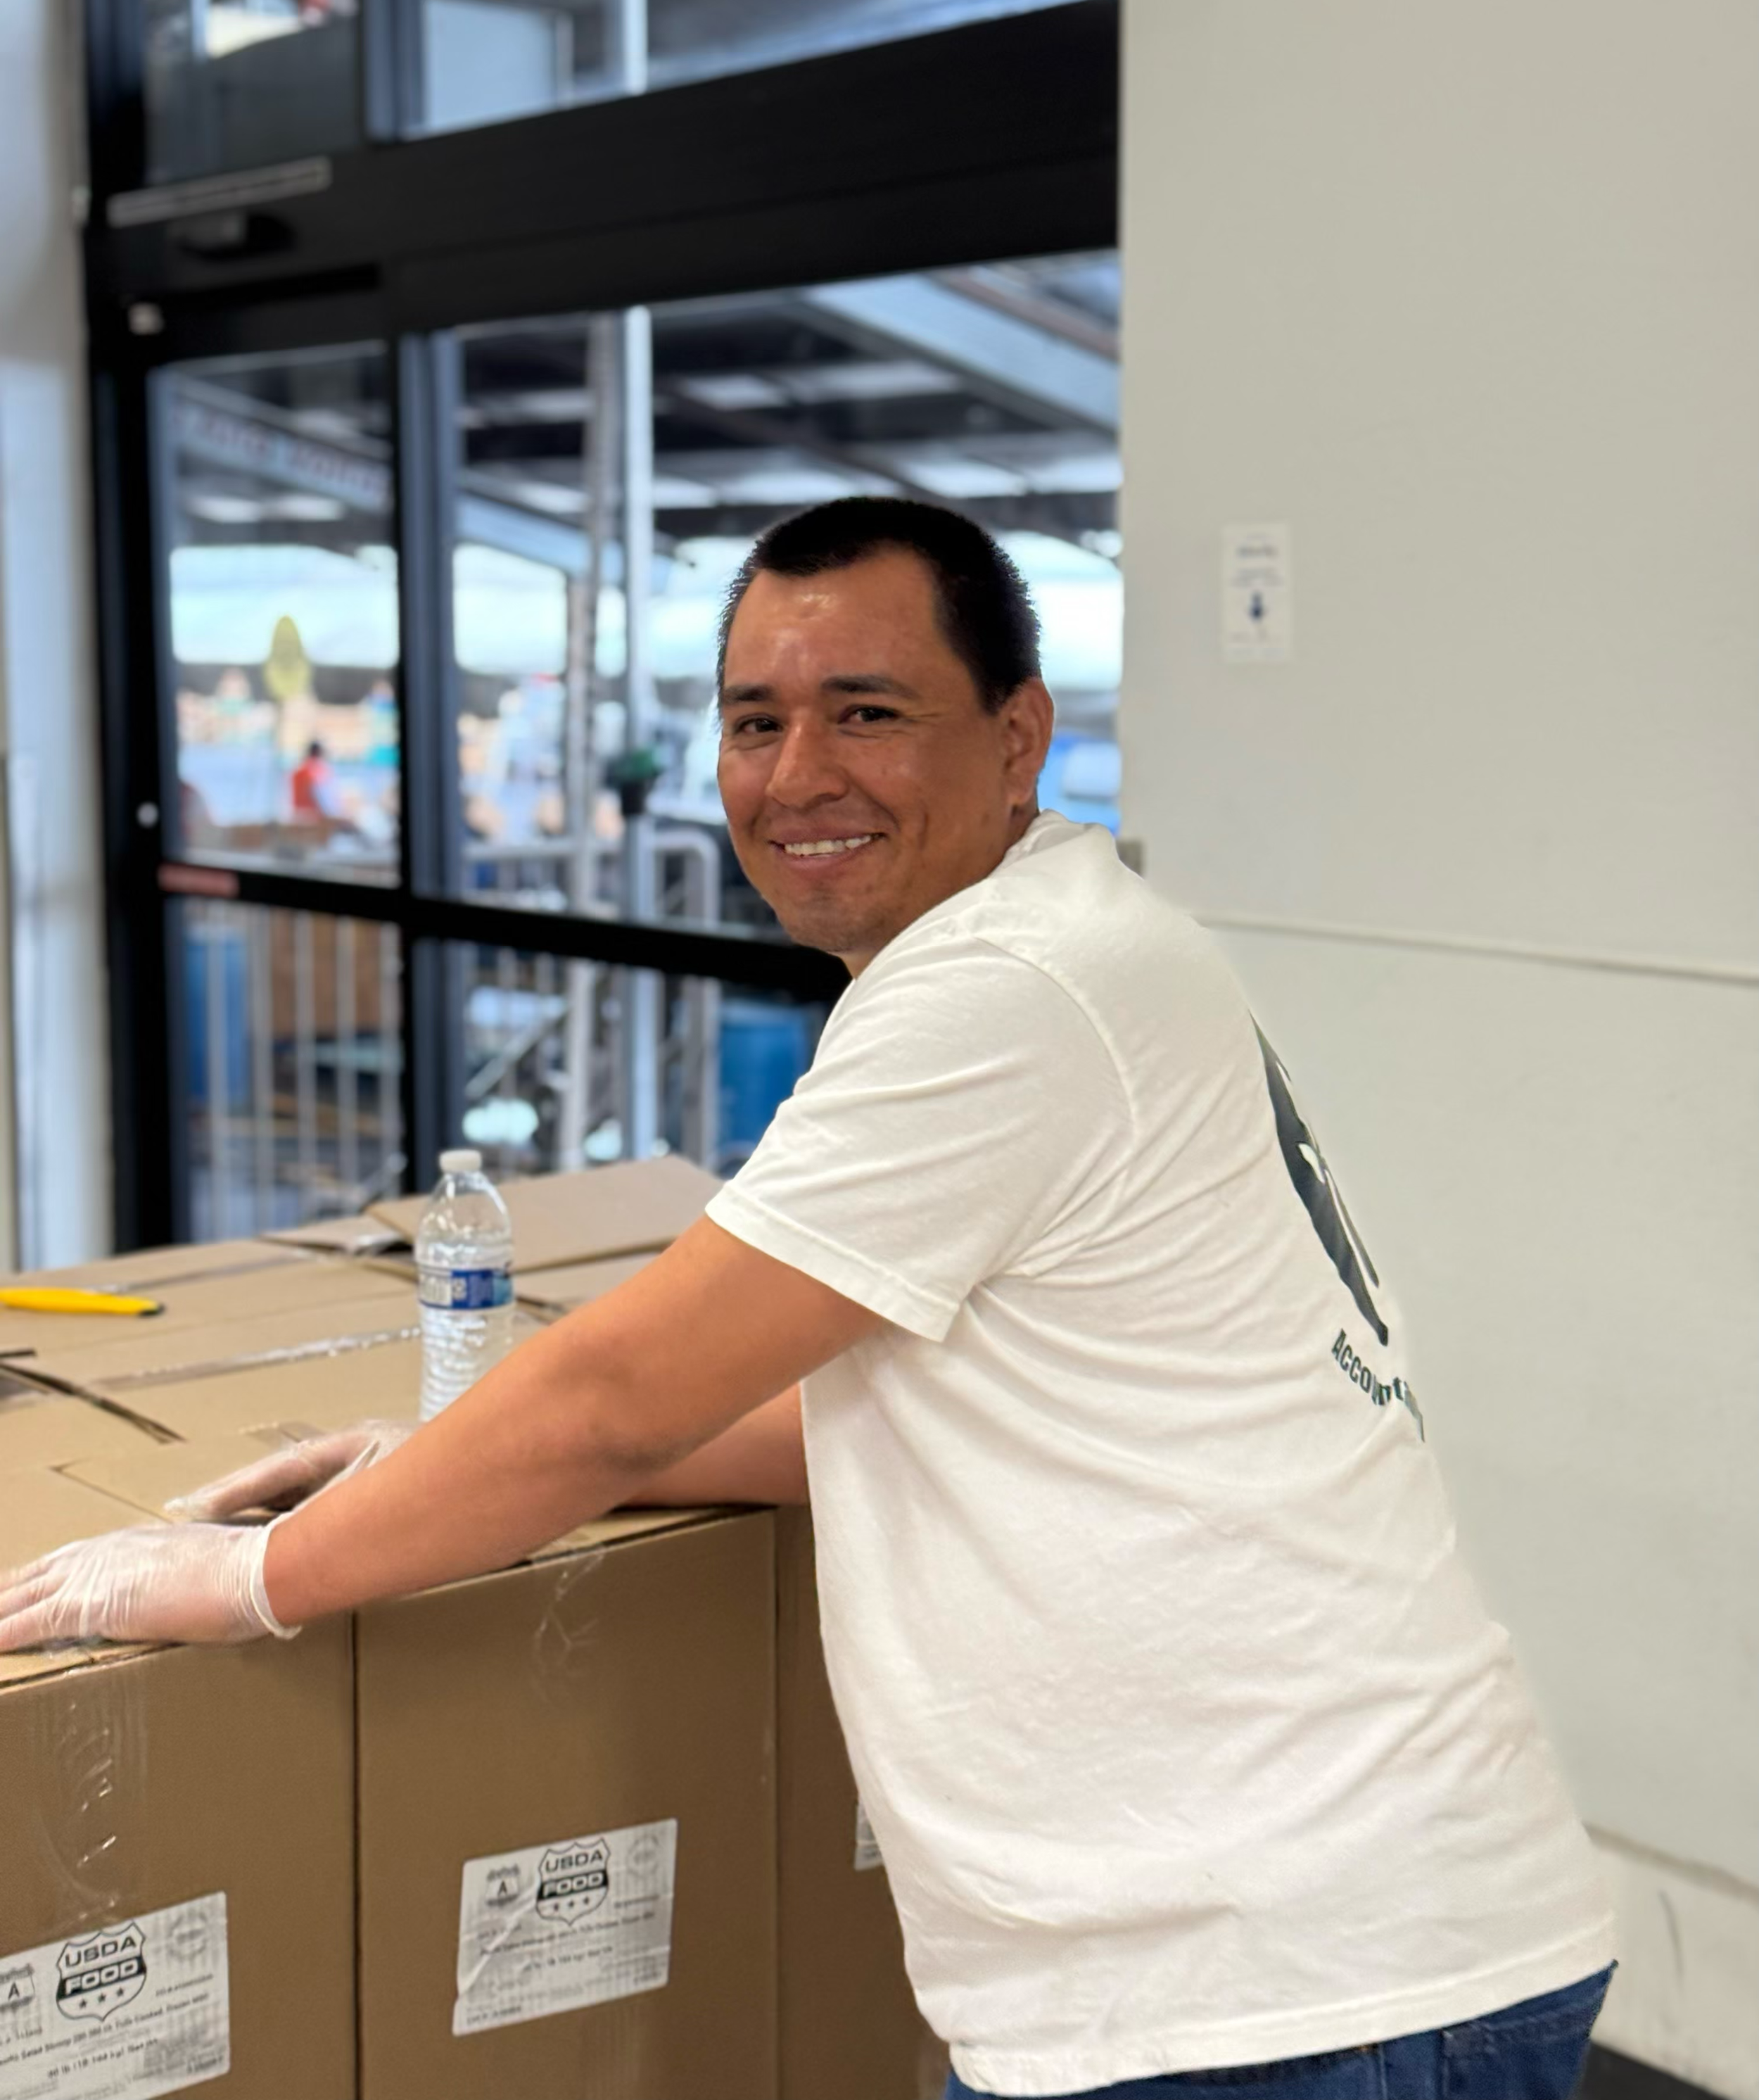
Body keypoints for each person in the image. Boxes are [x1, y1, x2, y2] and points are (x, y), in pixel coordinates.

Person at [0, 501, 1614, 2100]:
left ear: (1015, 734)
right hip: (1300, 1957)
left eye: (868, 713)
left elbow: (609, 1390)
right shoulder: (1065, 941)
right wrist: (438, 1470)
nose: (796, 775)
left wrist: (250, 1580)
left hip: (1292, 1992)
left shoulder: (1004, 995)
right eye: (755, 720)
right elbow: (865, 1395)